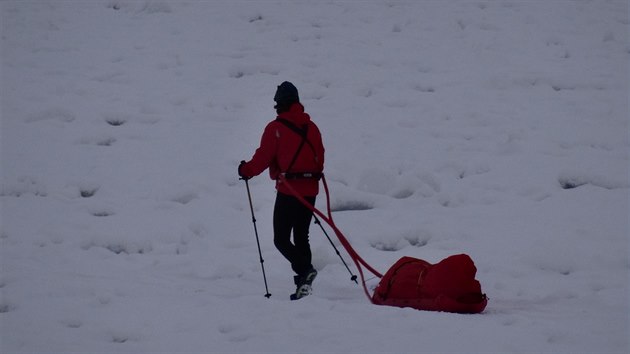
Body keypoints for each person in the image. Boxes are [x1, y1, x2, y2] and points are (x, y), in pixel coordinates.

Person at [238, 81, 325, 299]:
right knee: (301, 236)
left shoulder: (275, 128)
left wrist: (245, 170)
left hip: (289, 191)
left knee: (281, 239)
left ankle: (305, 272)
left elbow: (262, 158)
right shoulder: (312, 127)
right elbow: (320, 158)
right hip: (310, 190)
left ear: (279, 104)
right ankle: (304, 282)